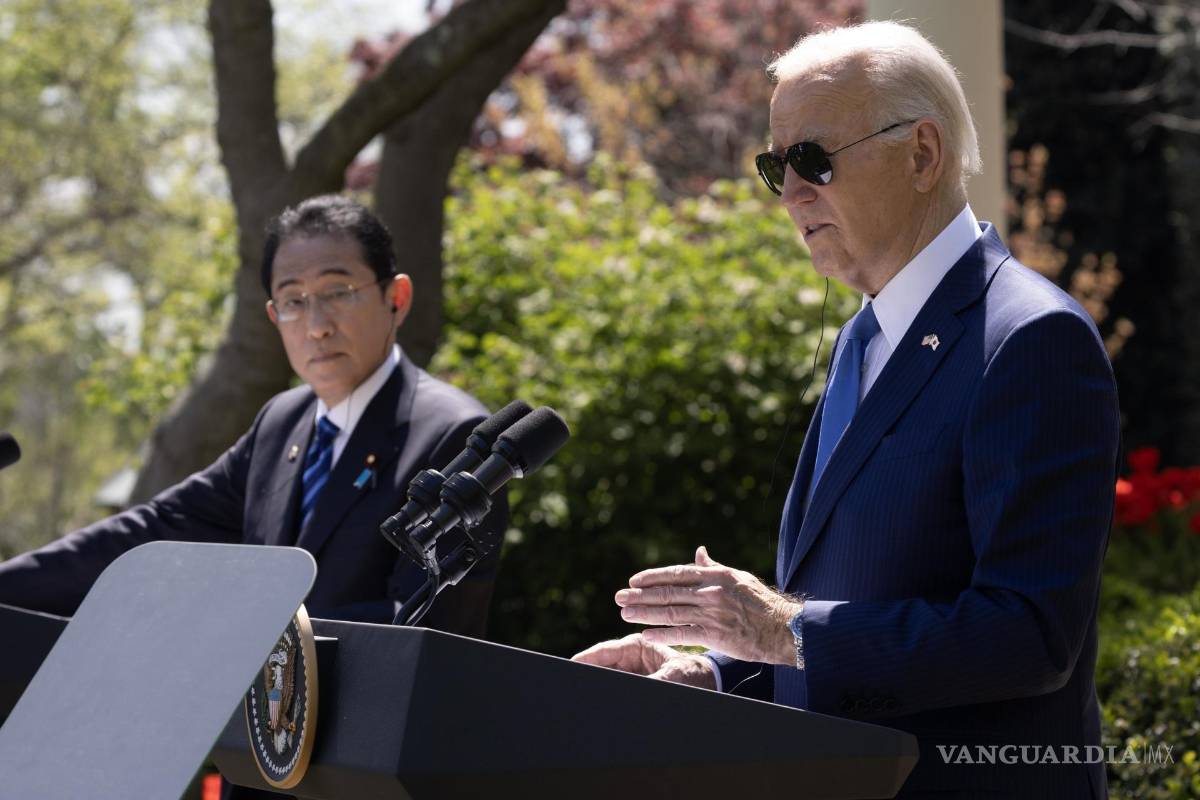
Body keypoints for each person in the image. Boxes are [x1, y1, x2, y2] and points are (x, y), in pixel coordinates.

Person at [574, 21, 1118, 799]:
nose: (792, 192)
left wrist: (777, 629)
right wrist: (721, 669)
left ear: (922, 153)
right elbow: (844, 612)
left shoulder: (1032, 338)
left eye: (813, 159)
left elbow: (1030, 635)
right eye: (777, 166)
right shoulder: (863, 339)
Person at [0, 195, 504, 636]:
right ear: (273, 317)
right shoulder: (282, 423)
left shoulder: (453, 435)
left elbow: (425, 623)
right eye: (293, 301)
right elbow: (155, 530)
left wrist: (233, 634)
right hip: (262, 735)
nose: (316, 325)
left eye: (338, 293)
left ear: (396, 297)